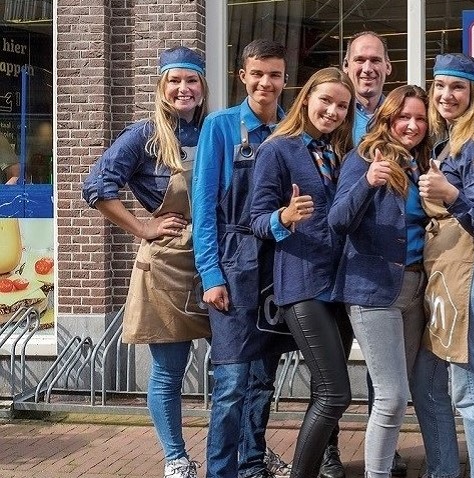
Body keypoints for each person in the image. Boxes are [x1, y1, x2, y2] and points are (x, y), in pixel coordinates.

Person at [82, 46, 211, 478]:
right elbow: (96, 186)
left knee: (237, 368)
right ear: (161, 86)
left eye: (191, 80)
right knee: (169, 371)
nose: (183, 88)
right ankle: (176, 458)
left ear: (203, 86)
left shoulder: (215, 130)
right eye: (174, 80)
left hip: (216, 257)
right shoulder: (144, 136)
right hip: (168, 263)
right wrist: (142, 227)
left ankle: (243, 452)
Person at [192, 38, 296, 478]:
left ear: (285, 79)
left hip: (278, 267)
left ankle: (252, 465)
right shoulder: (220, 127)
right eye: (257, 74)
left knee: (263, 380)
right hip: (234, 264)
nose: (265, 83)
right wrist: (210, 274)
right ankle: (221, 472)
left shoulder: (291, 129)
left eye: (274, 75)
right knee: (232, 382)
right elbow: (203, 207)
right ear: (243, 76)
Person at [411, 53, 474, 478]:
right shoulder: (447, 141)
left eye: (457, 87)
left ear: (473, 95)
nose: (446, 95)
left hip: (470, 277)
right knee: (428, 385)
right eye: (440, 86)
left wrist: (450, 194)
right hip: (446, 280)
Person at [250, 67, 355, 478]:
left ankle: (317, 465)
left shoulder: (343, 152)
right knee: (335, 393)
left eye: (342, 106)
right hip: (302, 283)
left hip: (341, 286)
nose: (332, 111)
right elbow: (257, 219)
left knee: (324, 391)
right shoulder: (278, 149)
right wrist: (284, 217)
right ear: (307, 97)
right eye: (325, 100)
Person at [328, 84, 430, 478]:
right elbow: (338, 220)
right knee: (391, 396)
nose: (412, 125)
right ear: (387, 118)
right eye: (404, 116)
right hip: (373, 290)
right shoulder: (364, 157)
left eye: (420, 118)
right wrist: (367, 182)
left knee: (398, 396)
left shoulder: (422, 162)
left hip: (415, 289)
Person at [342, 30, 408, 478]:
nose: (367, 68)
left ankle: (384, 453)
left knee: (382, 377)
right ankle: (331, 451)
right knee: (330, 372)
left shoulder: (397, 119)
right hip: (328, 259)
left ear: (388, 67)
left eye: (375, 60)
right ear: (347, 66)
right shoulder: (332, 110)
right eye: (359, 60)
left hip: (375, 264)